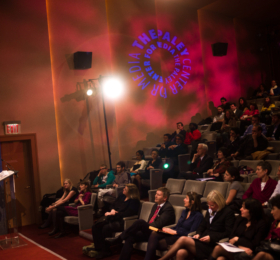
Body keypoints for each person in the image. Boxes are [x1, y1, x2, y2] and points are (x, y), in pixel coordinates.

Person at [158, 190, 235, 260]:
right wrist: (198, 233)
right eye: (208, 205)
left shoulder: (228, 213)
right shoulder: (210, 210)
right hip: (202, 241)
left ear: (219, 203)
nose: (209, 208)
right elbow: (202, 225)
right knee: (180, 252)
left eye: (212, 206)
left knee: (183, 239)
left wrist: (211, 238)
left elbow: (228, 233)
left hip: (213, 245)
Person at [105, 187, 175, 260]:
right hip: (149, 230)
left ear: (165, 198)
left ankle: (118, 239)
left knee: (140, 222)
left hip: (157, 233)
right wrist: (144, 228)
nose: (155, 196)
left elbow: (158, 224)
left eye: (158, 195)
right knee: (130, 237)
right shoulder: (155, 205)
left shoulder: (168, 208)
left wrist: (144, 226)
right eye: (156, 194)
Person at [144, 192, 203, 260]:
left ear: (192, 202)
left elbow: (191, 233)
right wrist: (168, 229)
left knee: (155, 244)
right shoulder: (185, 211)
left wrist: (176, 232)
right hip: (174, 235)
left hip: (180, 238)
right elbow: (178, 225)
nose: (184, 199)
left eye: (186, 198)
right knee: (154, 233)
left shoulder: (198, 216)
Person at [88, 184, 140, 259]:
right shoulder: (122, 196)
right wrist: (112, 210)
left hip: (123, 221)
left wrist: (115, 213)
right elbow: (112, 205)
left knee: (106, 228)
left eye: (125, 189)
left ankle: (106, 250)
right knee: (95, 226)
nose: (123, 190)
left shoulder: (134, 201)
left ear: (130, 191)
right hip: (112, 217)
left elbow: (128, 213)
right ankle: (99, 248)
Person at [252, 194, 280, 260]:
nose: (271, 212)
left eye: (273, 209)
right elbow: (268, 239)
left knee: (261, 255)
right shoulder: (275, 222)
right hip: (272, 251)